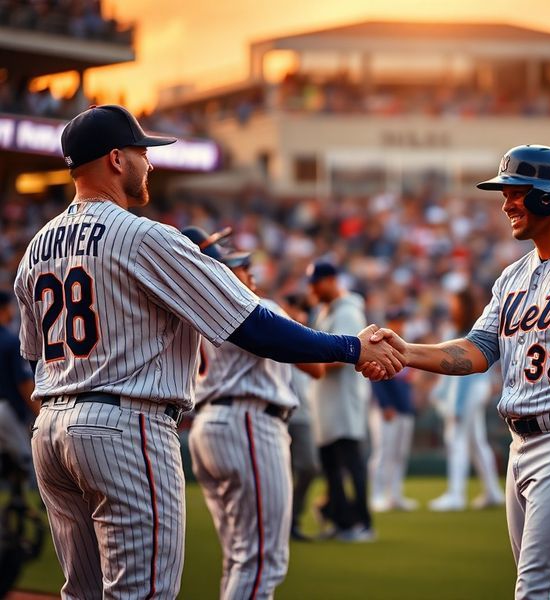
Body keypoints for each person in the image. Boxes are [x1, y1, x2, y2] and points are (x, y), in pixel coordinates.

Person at [13, 105, 403, 598]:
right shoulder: (141, 234)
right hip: (125, 424)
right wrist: (351, 346)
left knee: (83, 594)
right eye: (141, 153)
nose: (149, 163)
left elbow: (33, 356)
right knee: (144, 592)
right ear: (115, 159)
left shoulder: (37, 246)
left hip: (51, 426)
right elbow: (255, 326)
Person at [367, 145, 550, 598]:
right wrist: (407, 351)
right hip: (521, 446)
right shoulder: (512, 276)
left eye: (516, 192)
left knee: (540, 590)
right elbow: (478, 349)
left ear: (549, 196)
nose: (506, 204)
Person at [184, 226, 320, 598]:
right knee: (262, 560)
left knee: (240, 558)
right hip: (248, 423)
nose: (249, 271)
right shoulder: (252, 306)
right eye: (239, 265)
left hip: (208, 428)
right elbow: (316, 365)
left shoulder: (184, 313)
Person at [307, 260, 375, 541]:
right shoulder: (327, 311)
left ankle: (362, 523)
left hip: (344, 400)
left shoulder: (347, 311)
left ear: (331, 280)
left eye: (316, 282)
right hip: (326, 401)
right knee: (332, 466)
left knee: (351, 463)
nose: (312, 289)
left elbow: (347, 354)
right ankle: (341, 521)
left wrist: (309, 360)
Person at [428, 287, 504, 512]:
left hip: (470, 389)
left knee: (457, 439)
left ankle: (456, 495)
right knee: (476, 442)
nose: (452, 307)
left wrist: (456, 406)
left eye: (456, 303)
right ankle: (492, 491)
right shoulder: (457, 327)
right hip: (473, 389)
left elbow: (463, 375)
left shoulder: (468, 329)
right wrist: (440, 394)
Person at [283, 292, 324, 542]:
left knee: (309, 467)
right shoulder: (276, 329)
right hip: (280, 411)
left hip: (304, 412)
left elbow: (317, 372)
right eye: (295, 307)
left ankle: (293, 518)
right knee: (281, 473)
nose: (300, 313)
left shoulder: (307, 336)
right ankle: (281, 524)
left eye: (304, 309)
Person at [369, 307, 418, 513]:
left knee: (399, 454)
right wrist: (384, 404)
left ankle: (394, 495)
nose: (400, 325)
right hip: (386, 410)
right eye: (396, 321)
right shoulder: (379, 346)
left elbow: (408, 383)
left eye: (401, 321)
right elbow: (374, 379)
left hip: (404, 408)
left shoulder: (407, 347)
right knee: (383, 453)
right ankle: (377, 495)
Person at [0, 290, 35, 478]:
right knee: (27, 461)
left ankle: (15, 503)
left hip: (5, 410)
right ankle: (30, 505)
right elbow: (24, 383)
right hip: (7, 411)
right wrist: (38, 412)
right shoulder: (11, 341)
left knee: (9, 463)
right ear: (4, 310)